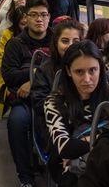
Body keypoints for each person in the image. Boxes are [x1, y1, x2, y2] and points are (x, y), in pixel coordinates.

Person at [43, 40, 109, 187]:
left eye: (93, 70)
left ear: (100, 68)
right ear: (69, 71)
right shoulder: (54, 102)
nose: (87, 79)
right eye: (79, 72)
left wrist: (85, 141)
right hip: (66, 165)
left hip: (106, 159)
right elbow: (66, 148)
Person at [1, 0, 52, 187]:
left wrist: (33, 77)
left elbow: (63, 69)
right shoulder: (15, 44)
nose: (39, 19)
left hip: (53, 97)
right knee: (17, 122)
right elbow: (9, 75)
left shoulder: (58, 41)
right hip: (25, 100)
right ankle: (26, 179)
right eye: (34, 15)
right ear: (26, 18)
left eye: (43, 15)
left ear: (49, 17)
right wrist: (39, 73)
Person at [31, 19, 85, 153]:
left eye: (75, 41)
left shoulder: (87, 67)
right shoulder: (45, 70)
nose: (71, 46)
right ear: (56, 43)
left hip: (84, 120)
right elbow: (38, 103)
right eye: (65, 41)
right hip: (54, 123)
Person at [0, 6, 27, 114]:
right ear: (16, 23)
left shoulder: (37, 36)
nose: (26, 26)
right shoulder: (8, 34)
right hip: (10, 76)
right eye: (22, 24)